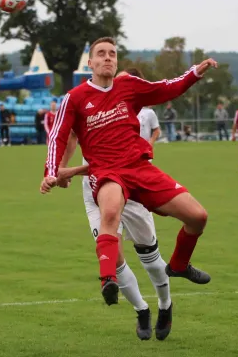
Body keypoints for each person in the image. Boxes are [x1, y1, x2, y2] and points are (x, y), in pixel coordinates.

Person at [40, 36, 217, 307]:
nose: (108, 57)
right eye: (101, 53)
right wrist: (51, 170)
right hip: (107, 172)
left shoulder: (128, 86)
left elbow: (164, 89)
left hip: (139, 167)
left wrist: (193, 73)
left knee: (198, 216)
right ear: (90, 63)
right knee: (109, 214)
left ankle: (179, 264)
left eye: (112, 53)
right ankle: (108, 279)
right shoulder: (74, 98)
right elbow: (59, 136)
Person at [57, 68, 170, 341]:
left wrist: (69, 171)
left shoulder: (137, 109)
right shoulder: (92, 103)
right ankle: (141, 309)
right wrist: (59, 166)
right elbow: (72, 136)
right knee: (112, 253)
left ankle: (165, 304)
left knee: (150, 257)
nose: (114, 83)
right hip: (97, 188)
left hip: (134, 184)